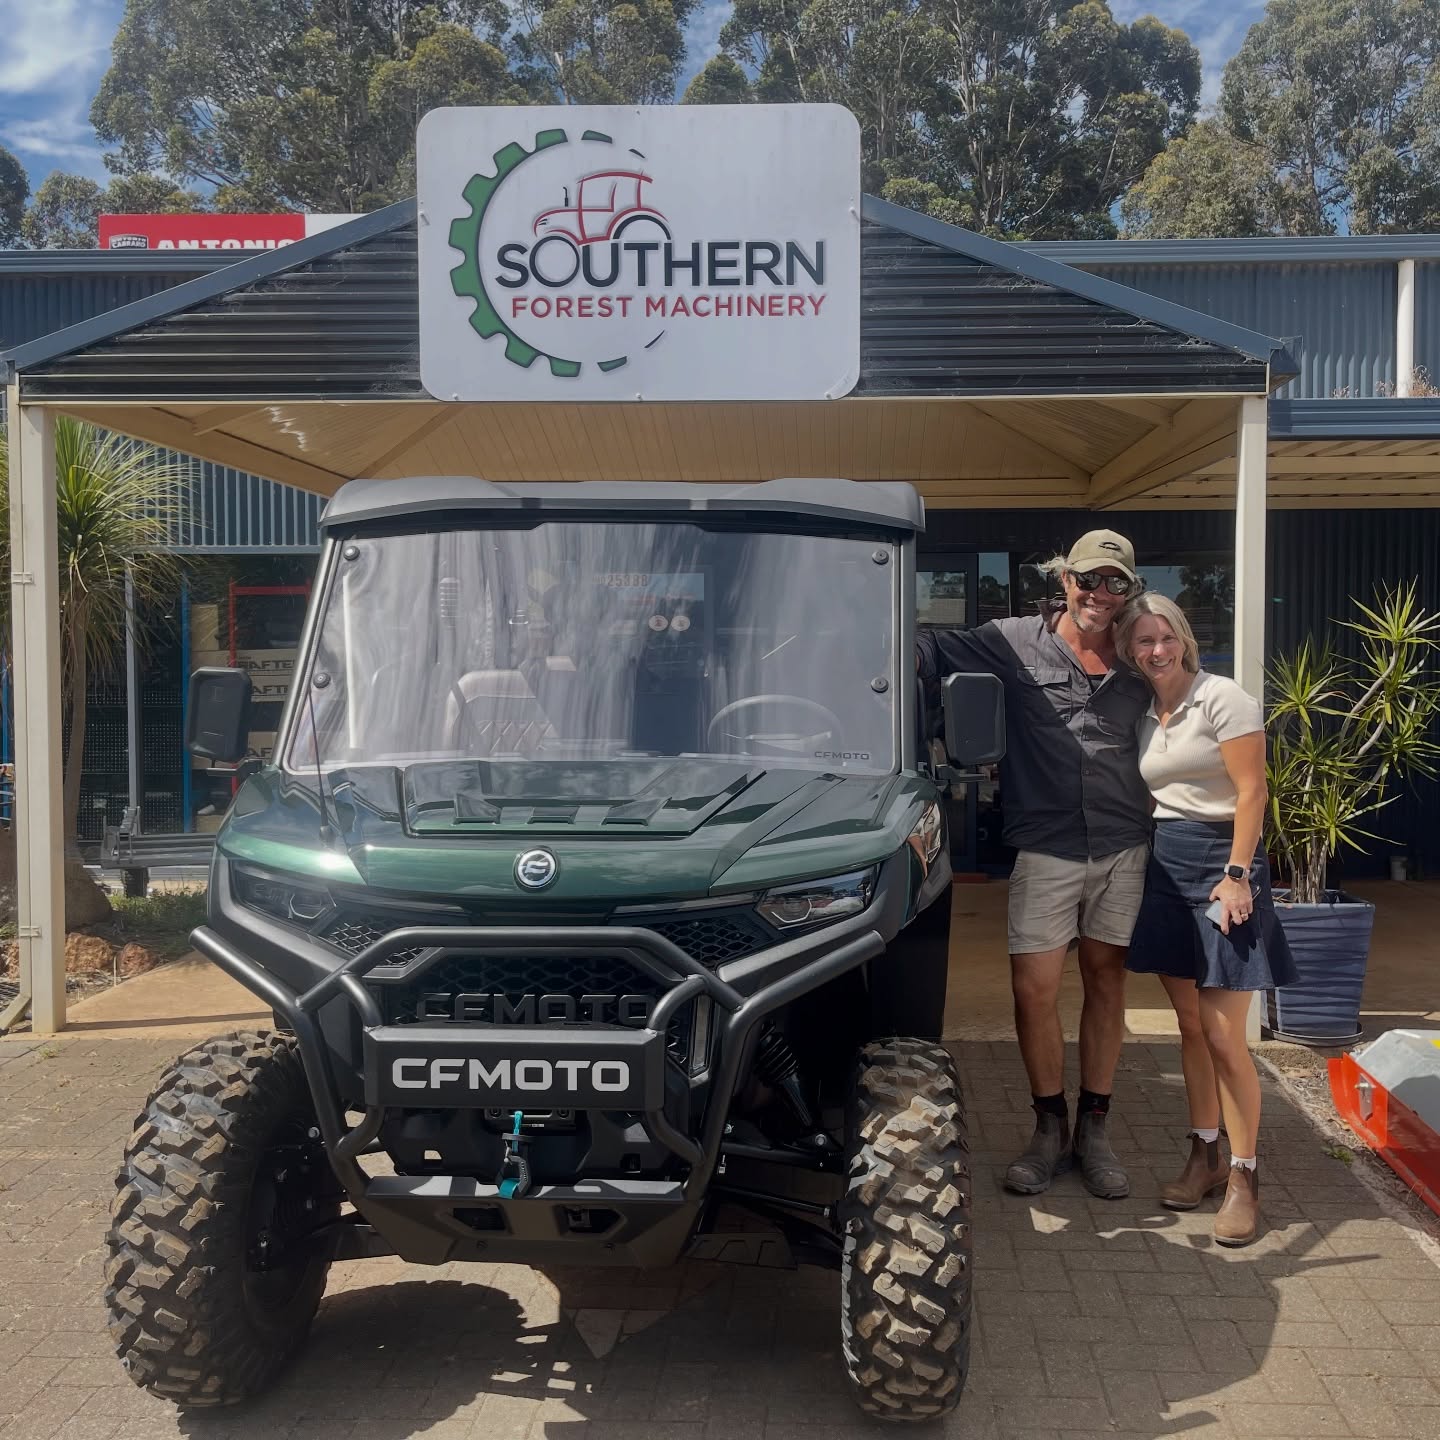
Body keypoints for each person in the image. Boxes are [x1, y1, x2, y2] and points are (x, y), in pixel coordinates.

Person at [917, 531, 1151, 1198]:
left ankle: (1095, 1130)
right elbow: (932, 647)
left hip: (1123, 843)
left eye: (1114, 584)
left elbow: (1190, 703)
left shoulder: (1142, 647)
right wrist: (905, 654)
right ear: (1064, 578)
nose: (1098, 595)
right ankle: (1049, 1126)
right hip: (1046, 844)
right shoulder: (1012, 638)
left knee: (1106, 982)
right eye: (1087, 579)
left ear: (1128, 590)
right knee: (1034, 988)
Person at [1114, 594, 1297, 1246]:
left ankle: (1245, 1176)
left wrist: (1239, 874)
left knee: (1224, 1036)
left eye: (1164, 637)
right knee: (1189, 1026)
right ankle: (1204, 1155)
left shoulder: (1224, 698)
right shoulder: (1145, 713)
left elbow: (1253, 791)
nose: (1155, 650)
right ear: (1130, 650)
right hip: (1165, 867)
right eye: (1142, 641)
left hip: (1225, 869)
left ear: (1182, 638)